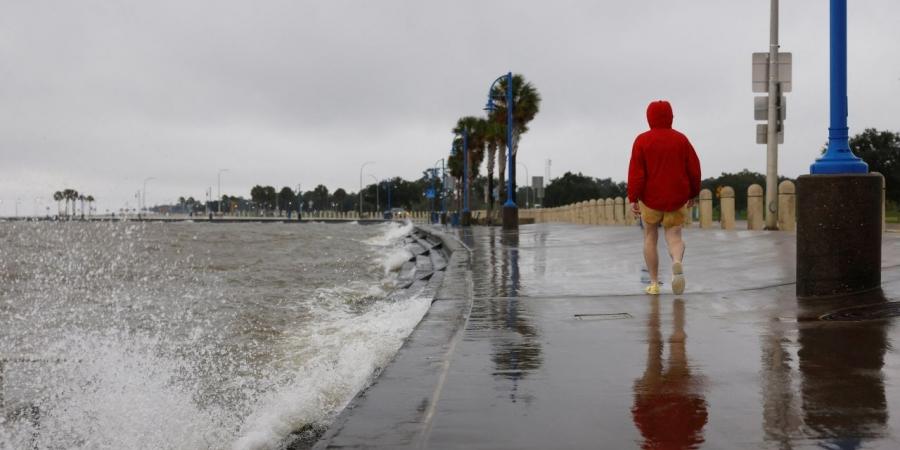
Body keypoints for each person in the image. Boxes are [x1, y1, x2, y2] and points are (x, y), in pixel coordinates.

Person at [627, 100, 701, 295]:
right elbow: (694, 168)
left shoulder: (642, 141)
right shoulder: (681, 140)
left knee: (650, 237)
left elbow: (637, 173)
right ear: (671, 117)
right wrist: (693, 192)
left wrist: (633, 197)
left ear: (649, 118)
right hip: (676, 198)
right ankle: (676, 262)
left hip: (650, 200)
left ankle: (653, 283)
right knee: (674, 236)